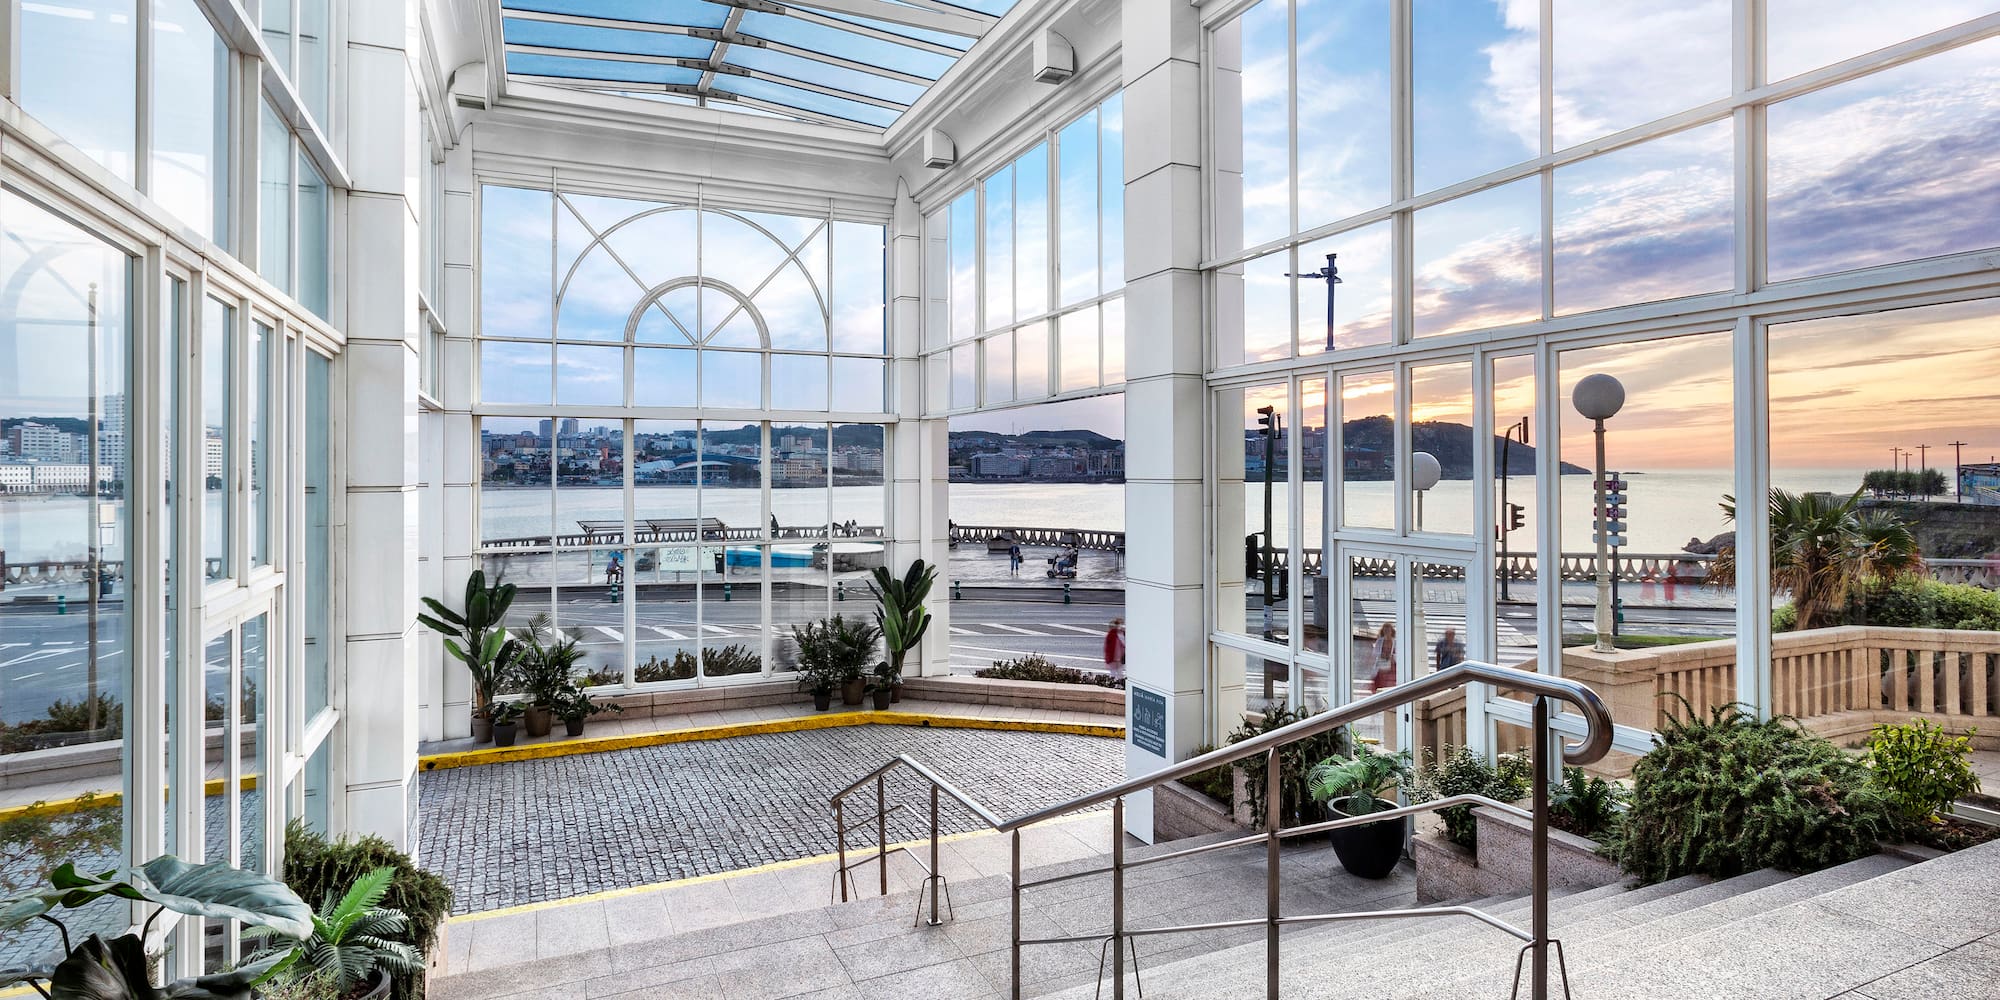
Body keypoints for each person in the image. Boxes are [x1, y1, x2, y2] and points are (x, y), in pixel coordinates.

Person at [1370, 623, 1398, 693]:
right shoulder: (1380, 641)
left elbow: (1399, 654)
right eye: (1385, 631)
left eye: (1388, 631)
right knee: (1379, 683)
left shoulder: (1395, 642)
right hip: (1381, 666)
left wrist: (1392, 656)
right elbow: (1374, 653)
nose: (1387, 633)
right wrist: (1381, 654)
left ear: (1392, 632)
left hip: (1392, 668)